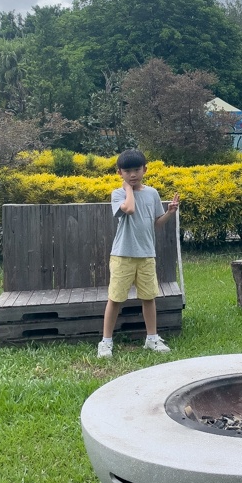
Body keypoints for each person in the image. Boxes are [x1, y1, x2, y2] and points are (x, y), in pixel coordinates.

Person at [97, 149, 180, 358]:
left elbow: (157, 224)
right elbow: (130, 209)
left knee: (148, 297)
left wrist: (170, 213)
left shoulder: (152, 193)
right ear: (120, 173)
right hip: (122, 255)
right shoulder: (118, 194)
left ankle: (152, 338)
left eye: (136, 170)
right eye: (127, 171)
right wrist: (128, 190)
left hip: (146, 255)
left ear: (145, 169)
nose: (132, 175)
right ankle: (106, 342)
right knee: (115, 298)